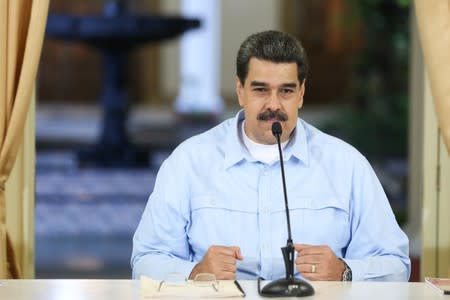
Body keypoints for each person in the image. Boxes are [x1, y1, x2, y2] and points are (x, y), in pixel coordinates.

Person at [131, 30, 410, 282]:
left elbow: (396, 265)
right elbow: (145, 262)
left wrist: (345, 271)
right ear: (240, 91)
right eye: (261, 89)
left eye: (286, 91)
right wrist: (193, 272)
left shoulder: (347, 165)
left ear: (301, 94)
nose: (273, 104)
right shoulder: (189, 162)